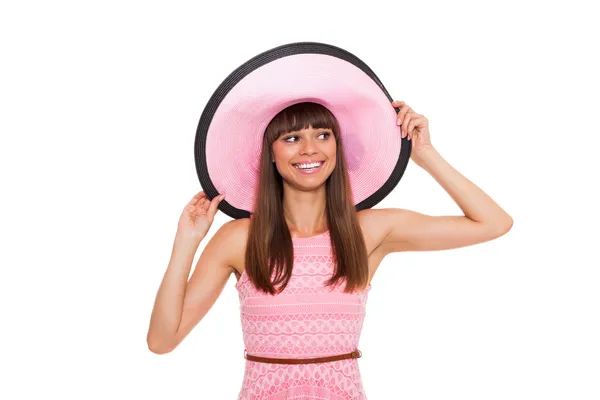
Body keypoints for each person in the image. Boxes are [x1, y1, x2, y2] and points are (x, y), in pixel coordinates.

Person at [147, 100, 513, 399]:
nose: (310, 149)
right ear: (270, 153)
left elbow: (494, 223)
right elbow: (162, 340)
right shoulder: (238, 238)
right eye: (291, 138)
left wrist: (426, 154)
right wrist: (186, 242)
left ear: (337, 147)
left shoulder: (368, 230)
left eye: (323, 135)